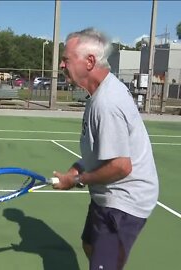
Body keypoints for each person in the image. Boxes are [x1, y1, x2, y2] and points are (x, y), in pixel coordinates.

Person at [53, 28, 159, 270]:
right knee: (89, 244)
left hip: (124, 202)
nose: (61, 64)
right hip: (107, 195)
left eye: (66, 59)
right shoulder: (99, 95)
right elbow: (98, 152)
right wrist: (75, 169)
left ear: (89, 61)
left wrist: (78, 179)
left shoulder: (107, 103)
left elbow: (121, 166)